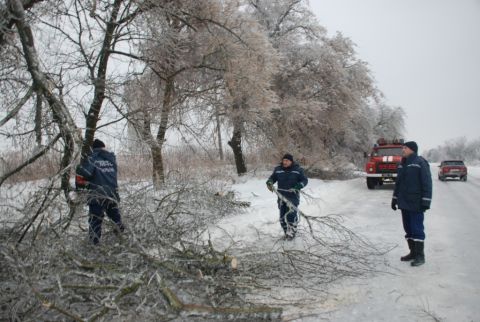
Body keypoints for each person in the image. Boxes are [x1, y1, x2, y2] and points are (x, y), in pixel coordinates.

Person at [391, 141, 432, 266]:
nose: (403, 150)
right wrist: (394, 198)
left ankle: (420, 256)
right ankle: (413, 253)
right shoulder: (402, 164)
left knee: (417, 229)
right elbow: (398, 184)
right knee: (408, 229)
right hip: (404, 203)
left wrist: (426, 201)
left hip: (416, 203)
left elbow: (427, 183)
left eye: (405, 148)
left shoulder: (420, 163)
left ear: (412, 149)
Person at [77, 139, 124, 245]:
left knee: (95, 221)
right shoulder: (111, 159)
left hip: (97, 195)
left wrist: (80, 167)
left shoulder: (92, 158)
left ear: (93, 149)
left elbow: (86, 173)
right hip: (112, 194)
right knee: (116, 219)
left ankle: (94, 245)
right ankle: (122, 241)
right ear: (103, 147)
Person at [266, 154, 308, 240]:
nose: (284, 162)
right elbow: (272, 178)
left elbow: (305, 180)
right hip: (281, 196)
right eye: (284, 160)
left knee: (291, 216)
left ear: (291, 162)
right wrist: (269, 182)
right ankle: (286, 232)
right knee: (282, 217)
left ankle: (291, 233)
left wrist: (298, 186)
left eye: (287, 161)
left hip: (293, 197)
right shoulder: (278, 169)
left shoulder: (297, 170)